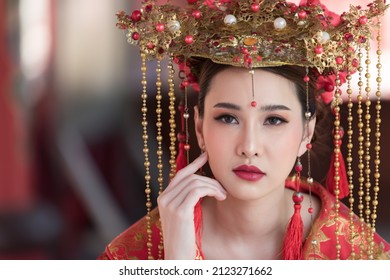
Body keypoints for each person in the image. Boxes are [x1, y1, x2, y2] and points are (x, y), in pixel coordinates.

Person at [98, 0, 389, 260]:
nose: (249, 146)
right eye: (228, 118)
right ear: (199, 127)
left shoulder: (358, 254)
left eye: (274, 120)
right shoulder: (129, 256)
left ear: (306, 133)